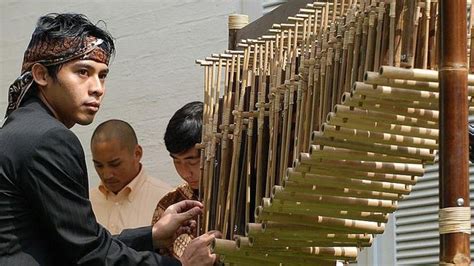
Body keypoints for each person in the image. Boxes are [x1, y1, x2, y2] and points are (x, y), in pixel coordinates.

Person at [0, 13, 216, 265]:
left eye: (102, 75)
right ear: (42, 75)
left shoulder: (18, 130)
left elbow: (73, 242)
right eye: (83, 72)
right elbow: (88, 254)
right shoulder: (49, 138)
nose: (97, 88)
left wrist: (152, 235)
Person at [89, 119, 172, 234]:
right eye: (98, 165)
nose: (107, 174)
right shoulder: (85, 203)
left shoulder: (166, 201)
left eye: (115, 164)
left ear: (137, 153)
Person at [151, 101, 203, 258]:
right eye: (176, 161)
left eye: (191, 161)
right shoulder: (169, 204)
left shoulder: (245, 199)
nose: (185, 172)